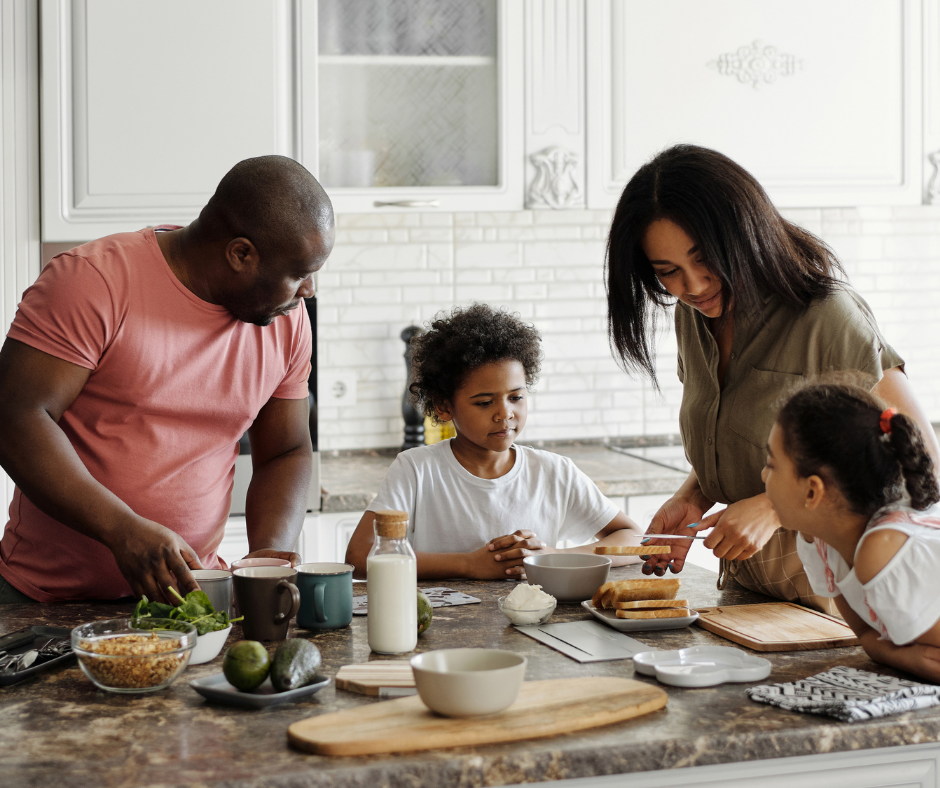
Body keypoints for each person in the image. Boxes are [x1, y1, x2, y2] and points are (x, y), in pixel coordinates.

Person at [605, 144, 939, 612]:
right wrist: (694, 496)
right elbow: (754, 440)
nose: (694, 286)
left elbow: (918, 464)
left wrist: (773, 509)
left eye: (705, 259)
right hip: (749, 593)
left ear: (744, 234)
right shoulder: (694, 315)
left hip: (836, 601)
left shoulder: (827, 315)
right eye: (668, 272)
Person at [0, 155, 334, 604]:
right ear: (240, 254)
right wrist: (121, 530)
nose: (309, 291)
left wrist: (270, 554)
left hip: (188, 599)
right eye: (299, 274)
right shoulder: (93, 281)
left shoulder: (286, 320)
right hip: (47, 600)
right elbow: (15, 417)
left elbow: (287, 450)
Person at [344, 304, 644, 580]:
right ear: (444, 406)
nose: (505, 414)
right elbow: (359, 556)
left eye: (516, 397)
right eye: (485, 402)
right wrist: (468, 564)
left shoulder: (554, 471)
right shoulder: (416, 469)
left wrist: (552, 557)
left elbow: (632, 538)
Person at [764, 378, 940, 681]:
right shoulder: (820, 540)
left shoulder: (883, 549)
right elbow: (868, 639)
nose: (763, 475)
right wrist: (906, 657)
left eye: (771, 464)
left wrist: (898, 654)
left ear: (812, 492)